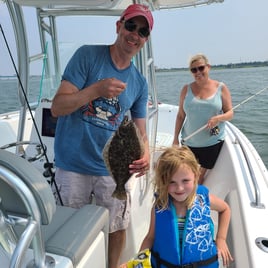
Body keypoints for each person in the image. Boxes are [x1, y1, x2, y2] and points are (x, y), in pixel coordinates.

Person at [50, 4, 153, 268]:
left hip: (111, 171)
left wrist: (146, 154)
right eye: (131, 26)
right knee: (66, 227)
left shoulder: (139, 83)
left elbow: (140, 130)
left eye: (143, 31)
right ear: (119, 26)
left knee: (117, 226)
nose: (135, 34)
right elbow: (57, 107)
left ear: (144, 40)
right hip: (72, 164)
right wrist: (96, 89)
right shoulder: (88, 56)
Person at [139, 146, 233, 268]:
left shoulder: (203, 199)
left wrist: (221, 238)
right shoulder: (159, 207)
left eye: (185, 181)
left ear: (195, 176)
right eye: (172, 182)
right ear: (163, 181)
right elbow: (150, 238)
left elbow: (225, 209)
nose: (179, 188)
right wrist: (138, 260)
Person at [172, 54, 233, 184]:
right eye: (194, 70)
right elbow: (180, 116)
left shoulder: (221, 88)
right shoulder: (185, 89)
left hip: (212, 142)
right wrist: (175, 138)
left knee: (198, 177)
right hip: (189, 141)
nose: (198, 72)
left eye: (201, 68)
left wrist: (218, 118)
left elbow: (230, 113)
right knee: (185, 174)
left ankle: (195, 200)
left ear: (208, 67)